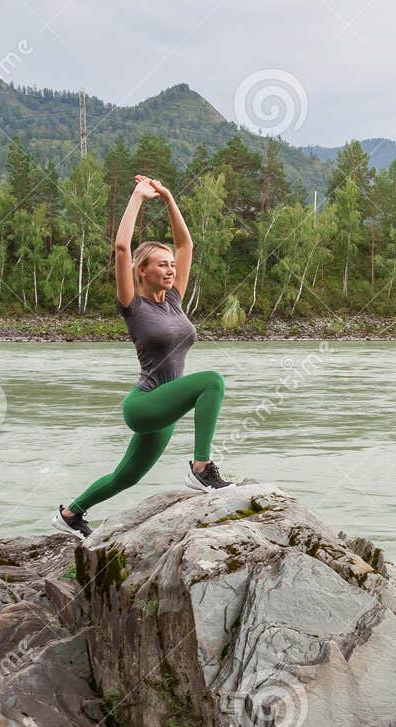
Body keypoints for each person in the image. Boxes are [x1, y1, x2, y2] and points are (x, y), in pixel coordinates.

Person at [53, 174, 231, 541]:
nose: (170, 269)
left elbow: (187, 245)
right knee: (211, 381)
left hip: (164, 411)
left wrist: (167, 197)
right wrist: (137, 196)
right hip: (145, 403)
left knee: (127, 476)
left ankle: (71, 515)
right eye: (162, 264)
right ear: (142, 271)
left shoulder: (174, 299)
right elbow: (121, 247)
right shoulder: (132, 305)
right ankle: (201, 468)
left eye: (171, 264)